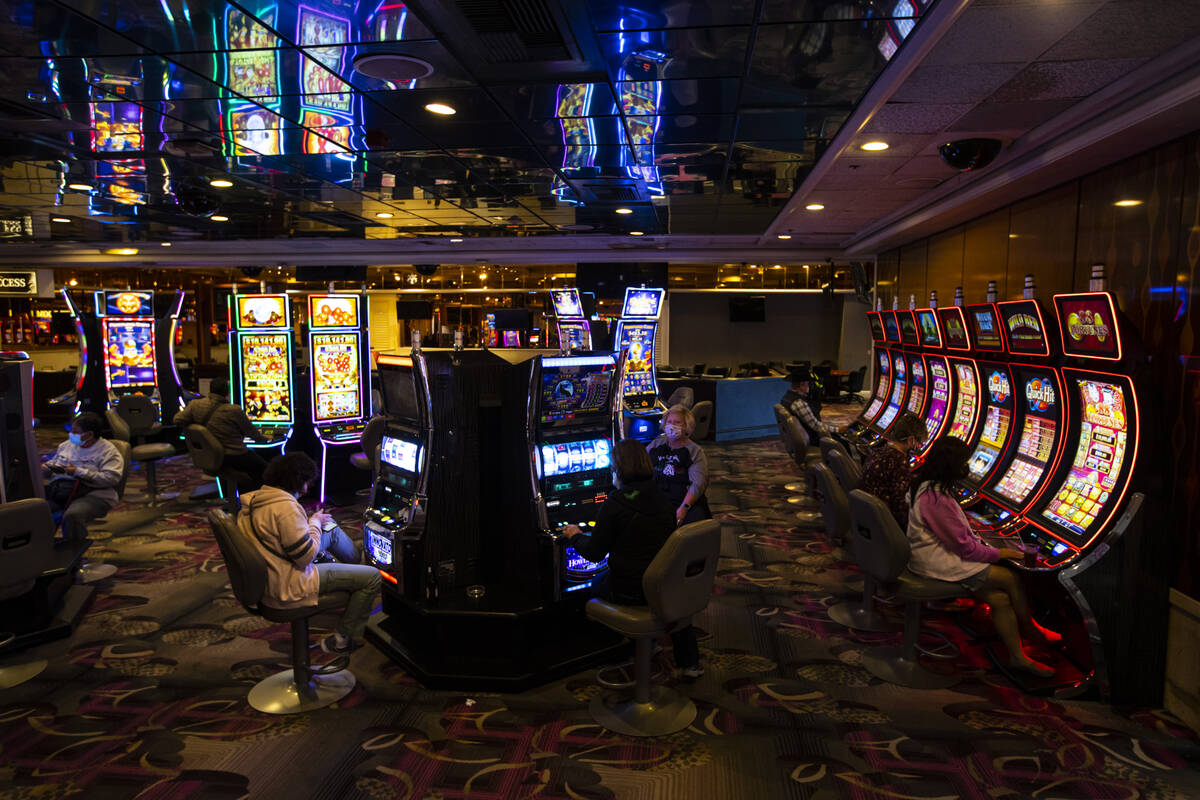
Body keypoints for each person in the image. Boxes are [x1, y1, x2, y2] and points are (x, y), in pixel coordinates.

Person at [906, 437, 1061, 677]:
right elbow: (966, 550)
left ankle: (1018, 657)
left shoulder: (926, 485)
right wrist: (1005, 552)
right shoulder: (936, 498)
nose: (968, 468)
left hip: (931, 556)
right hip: (937, 562)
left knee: (999, 599)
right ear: (952, 467)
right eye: (963, 463)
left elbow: (955, 534)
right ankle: (1031, 629)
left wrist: (967, 527)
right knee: (1010, 578)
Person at [564, 440, 704, 678]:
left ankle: (621, 649)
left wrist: (575, 535)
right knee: (667, 594)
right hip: (665, 583)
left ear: (617, 469)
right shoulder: (661, 496)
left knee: (596, 584)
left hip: (632, 590)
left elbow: (594, 552)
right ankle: (687, 662)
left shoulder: (616, 502)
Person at [237, 453, 381, 654]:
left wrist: (316, 523)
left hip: (272, 573)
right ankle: (342, 638)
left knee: (329, 526)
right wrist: (313, 523)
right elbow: (305, 557)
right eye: (308, 482)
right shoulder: (285, 507)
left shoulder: (255, 499)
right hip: (290, 582)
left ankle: (354, 569)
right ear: (300, 481)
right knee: (373, 578)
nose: (309, 487)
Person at [44, 412, 125, 545]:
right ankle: (44, 551)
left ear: (89, 435)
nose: (71, 434)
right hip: (63, 491)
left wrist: (79, 472)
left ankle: (74, 555)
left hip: (96, 495)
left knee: (72, 515)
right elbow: (55, 464)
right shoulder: (66, 446)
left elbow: (111, 479)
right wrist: (47, 468)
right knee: (36, 510)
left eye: (75, 432)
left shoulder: (108, 451)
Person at [175, 377, 269, 489]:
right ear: (227, 392)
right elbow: (253, 435)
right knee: (265, 469)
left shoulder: (195, 405)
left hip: (209, 453)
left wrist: (195, 430)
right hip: (233, 455)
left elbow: (177, 420)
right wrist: (267, 438)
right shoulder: (234, 410)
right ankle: (255, 499)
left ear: (209, 390)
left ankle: (234, 497)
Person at [646, 404, 711, 526]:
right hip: (656, 498)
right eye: (669, 422)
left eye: (677, 422)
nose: (672, 425)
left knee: (695, 523)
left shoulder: (694, 451)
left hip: (681, 500)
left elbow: (697, 484)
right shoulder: (656, 444)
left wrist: (684, 508)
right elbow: (641, 467)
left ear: (687, 427)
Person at [859, 412, 927, 529]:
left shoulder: (880, 451)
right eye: (919, 444)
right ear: (911, 440)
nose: (918, 448)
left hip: (864, 513)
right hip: (883, 523)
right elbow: (900, 507)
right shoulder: (899, 462)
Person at [781, 369, 842, 445]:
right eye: (809, 384)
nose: (811, 387)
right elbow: (815, 426)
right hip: (810, 438)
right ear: (802, 385)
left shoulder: (786, 397)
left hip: (798, 435)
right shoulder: (799, 402)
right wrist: (838, 429)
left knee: (836, 435)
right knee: (841, 441)